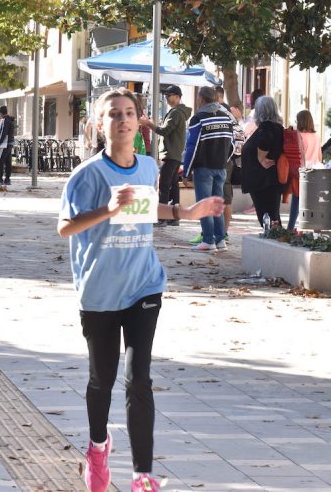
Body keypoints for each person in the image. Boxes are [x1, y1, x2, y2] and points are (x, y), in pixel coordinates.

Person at [57, 87, 223, 492]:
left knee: (138, 378)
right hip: (99, 292)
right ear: (101, 124)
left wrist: (185, 212)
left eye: (130, 113)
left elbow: (146, 208)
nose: (124, 120)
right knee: (102, 380)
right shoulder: (87, 175)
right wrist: (108, 210)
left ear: (139, 120)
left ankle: (141, 475)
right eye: (114, 114)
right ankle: (98, 448)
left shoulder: (148, 167)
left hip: (144, 286)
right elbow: (66, 227)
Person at [181, 86, 234, 252]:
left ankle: (208, 241)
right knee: (218, 204)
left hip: (204, 168)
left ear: (201, 99)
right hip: (221, 168)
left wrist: (186, 171)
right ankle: (220, 240)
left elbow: (192, 146)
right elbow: (233, 144)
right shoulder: (226, 117)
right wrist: (224, 159)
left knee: (205, 205)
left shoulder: (198, 118)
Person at [139, 86, 191, 228]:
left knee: (164, 185)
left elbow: (165, 131)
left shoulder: (176, 113)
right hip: (175, 153)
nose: (167, 98)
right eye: (166, 95)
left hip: (171, 154)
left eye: (169, 95)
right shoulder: (180, 112)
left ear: (177, 96)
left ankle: (162, 217)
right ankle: (174, 217)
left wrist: (148, 124)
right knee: (173, 185)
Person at [239, 96, 284, 228]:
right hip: (270, 180)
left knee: (267, 216)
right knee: (272, 216)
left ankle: (274, 242)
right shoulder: (277, 127)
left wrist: (261, 158)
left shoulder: (266, 127)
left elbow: (264, 142)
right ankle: (276, 240)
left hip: (263, 181)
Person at [0, 105, 15, 186]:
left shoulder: (5, 121)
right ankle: (7, 179)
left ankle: (0, 179)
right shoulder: (10, 120)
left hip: (5, 143)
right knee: (8, 161)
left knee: (0, 160)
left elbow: (3, 133)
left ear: (0, 113)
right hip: (10, 142)